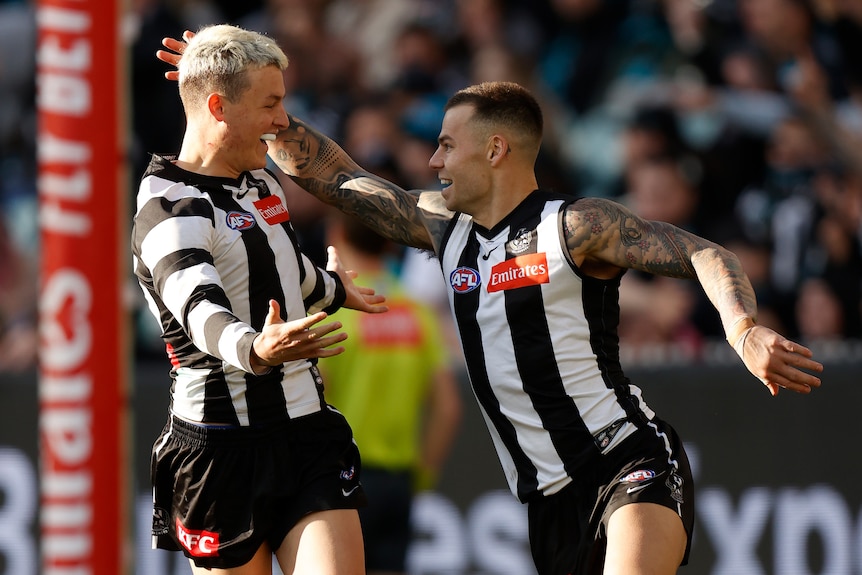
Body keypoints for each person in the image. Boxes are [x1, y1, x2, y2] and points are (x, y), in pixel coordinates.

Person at [158, 36, 823, 575]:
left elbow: (706, 253)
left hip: (626, 458)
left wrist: (742, 331)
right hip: (545, 500)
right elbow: (335, 176)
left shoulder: (577, 226)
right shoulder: (446, 230)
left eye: (449, 143)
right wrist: (232, 85)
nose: (434, 157)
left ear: (496, 149)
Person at [134, 25, 388, 575]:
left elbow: (284, 270)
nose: (282, 120)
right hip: (218, 450)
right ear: (219, 107)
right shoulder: (167, 204)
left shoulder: (261, 183)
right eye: (271, 103)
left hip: (305, 428)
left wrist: (336, 289)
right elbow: (198, 307)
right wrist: (256, 349)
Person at [320, 213, 462, 575]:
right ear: (388, 242)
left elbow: (315, 400)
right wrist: (421, 477)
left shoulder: (331, 315)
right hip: (400, 481)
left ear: (336, 234)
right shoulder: (419, 313)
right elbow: (448, 408)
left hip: (343, 480)